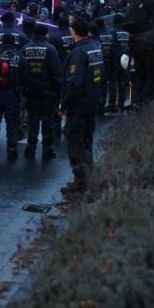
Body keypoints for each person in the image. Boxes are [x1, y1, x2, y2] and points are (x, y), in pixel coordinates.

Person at [61, 18, 104, 193]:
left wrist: (64, 105)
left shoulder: (78, 53)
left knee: (76, 142)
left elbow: (74, 83)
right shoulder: (95, 48)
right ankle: (89, 175)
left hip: (79, 103)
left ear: (73, 32)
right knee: (87, 140)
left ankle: (80, 180)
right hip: (92, 101)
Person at [21, 24, 62, 160]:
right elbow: (56, 72)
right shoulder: (50, 49)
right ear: (46, 34)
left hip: (30, 90)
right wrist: (58, 91)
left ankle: (31, 148)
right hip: (47, 91)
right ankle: (47, 149)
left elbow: (21, 70)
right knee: (47, 119)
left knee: (32, 118)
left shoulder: (25, 49)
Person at [0, 33, 27, 161]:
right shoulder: (19, 57)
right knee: (12, 123)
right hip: (12, 93)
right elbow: (25, 77)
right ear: (14, 43)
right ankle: (12, 149)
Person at [108, 14, 131, 112]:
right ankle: (121, 102)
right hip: (125, 60)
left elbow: (111, 47)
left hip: (114, 60)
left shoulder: (112, 32)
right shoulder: (127, 33)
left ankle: (112, 103)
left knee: (112, 82)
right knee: (122, 82)